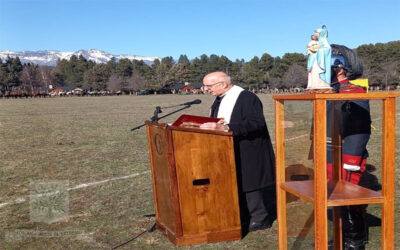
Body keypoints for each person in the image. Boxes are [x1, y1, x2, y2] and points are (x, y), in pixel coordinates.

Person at [199, 71, 276, 232]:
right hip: (228, 147)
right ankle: (243, 213)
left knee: (250, 184)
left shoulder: (247, 98)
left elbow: (256, 123)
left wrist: (226, 127)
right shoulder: (219, 99)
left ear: (223, 84)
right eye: (204, 86)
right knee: (237, 182)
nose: (205, 89)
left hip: (249, 148)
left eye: (208, 86)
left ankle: (260, 218)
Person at [327, 44, 372, 250]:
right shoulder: (328, 90)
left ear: (340, 67)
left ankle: (355, 240)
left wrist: (352, 160)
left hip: (346, 154)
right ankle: (340, 234)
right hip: (328, 151)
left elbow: (360, 129)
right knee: (332, 195)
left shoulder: (354, 91)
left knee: (348, 197)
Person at [307, 25, 332, 90]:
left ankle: (322, 84)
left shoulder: (324, 41)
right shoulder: (319, 41)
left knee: (318, 72)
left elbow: (327, 49)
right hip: (315, 60)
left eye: (317, 33)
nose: (315, 35)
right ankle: (314, 85)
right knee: (314, 73)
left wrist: (318, 50)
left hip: (320, 62)